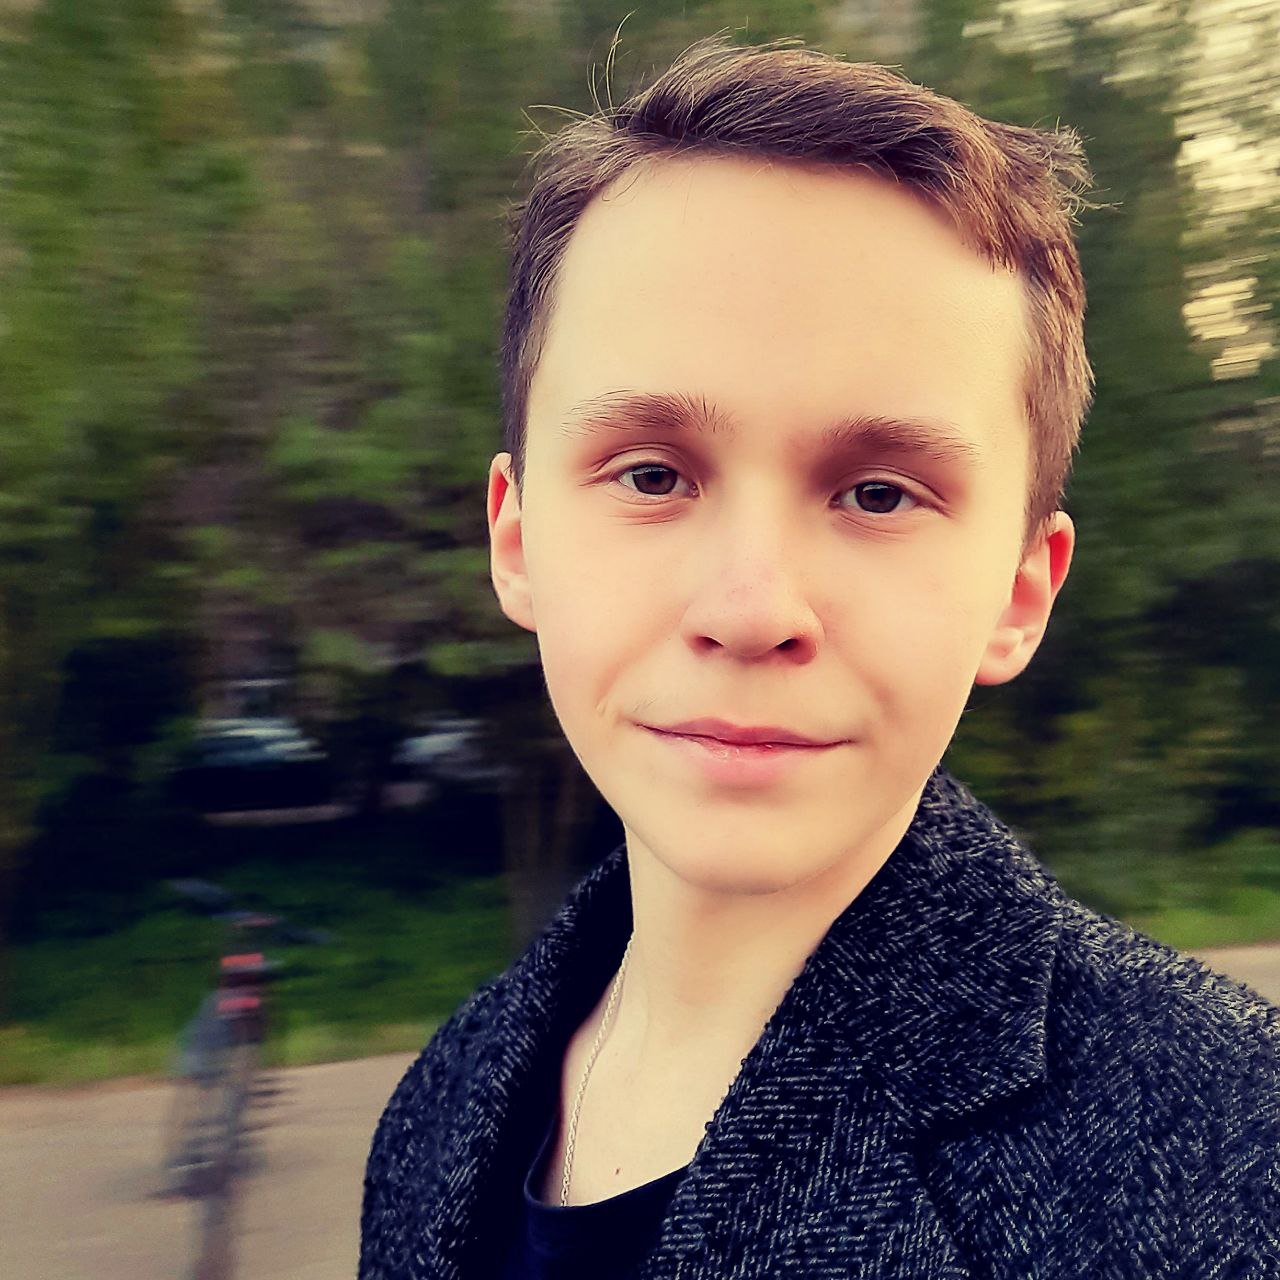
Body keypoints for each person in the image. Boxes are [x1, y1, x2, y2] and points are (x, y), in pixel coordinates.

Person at [360, 35, 1280, 1279]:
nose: (750, 609)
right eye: (651, 474)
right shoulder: (438, 1103)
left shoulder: (1229, 1162)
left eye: (878, 493)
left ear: (1020, 590)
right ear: (516, 540)